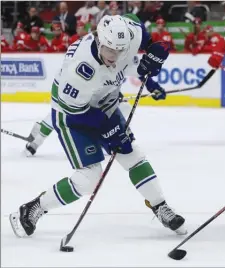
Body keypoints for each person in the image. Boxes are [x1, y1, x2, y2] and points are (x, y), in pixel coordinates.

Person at [10, 14, 186, 238]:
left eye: (120, 51)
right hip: (72, 115)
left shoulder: (127, 37)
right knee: (88, 178)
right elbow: (76, 112)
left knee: (132, 155)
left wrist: (152, 52)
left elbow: (135, 26)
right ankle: (34, 208)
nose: (115, 57)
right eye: (110, 51)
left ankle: (160, 206)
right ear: (98, 40)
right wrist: (111, 132)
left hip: (106, 102)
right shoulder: (80, 70)